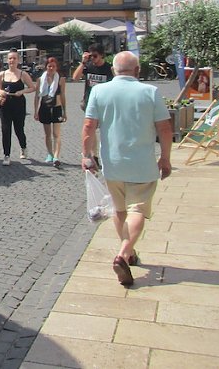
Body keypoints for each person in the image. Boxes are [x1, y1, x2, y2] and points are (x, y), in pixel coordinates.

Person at [81, 51, 172, 287]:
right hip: (142, 163)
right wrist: (165, 158)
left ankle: (130, 253)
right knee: (138, 210)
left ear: (113, 70)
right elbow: (164, 128)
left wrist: (87, 156)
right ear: (137, 71)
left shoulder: (100, 91)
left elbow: (89, 126)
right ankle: (123, 253)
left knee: (120, 210)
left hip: (113, 163)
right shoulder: (150, 92)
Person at [72, 43, 114, 162]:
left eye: (95, 56)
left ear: (102, 55)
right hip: (90, 102)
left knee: (106, 129)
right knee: (91, 128)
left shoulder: (108, 68)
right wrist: (83, 62)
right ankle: (94, 154)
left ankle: (107, 153)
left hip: (105, 104)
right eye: (91, 56)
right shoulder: (88, 66)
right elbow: (75, 78)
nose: (93, 59)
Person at [0, 50, 35, 165]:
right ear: (7, 60)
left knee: (19, 129)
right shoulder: (2, 74)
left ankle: (23, 147)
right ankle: (6, 155)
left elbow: (32, 87)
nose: (11, 61)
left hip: (18, 104)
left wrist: (22, 91)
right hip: (5, 104)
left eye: (14, 58)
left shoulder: (23, 74)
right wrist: (1, 92)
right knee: (5, 129)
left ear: (18, 60)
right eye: (10, 59)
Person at [34, 57, 67, 168]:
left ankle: (56, 156)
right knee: (47, 134)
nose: (51, 68)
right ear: (46, 67)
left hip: (56, 108)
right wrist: (35, 111)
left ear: (56, 67)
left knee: (56, 134)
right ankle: (50, 154)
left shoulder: (61, 79)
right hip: (44, 108)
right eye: (49, 66)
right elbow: (37, 96)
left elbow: (62, 95)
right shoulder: (40, 79)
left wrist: (64, 111)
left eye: (53, 66)